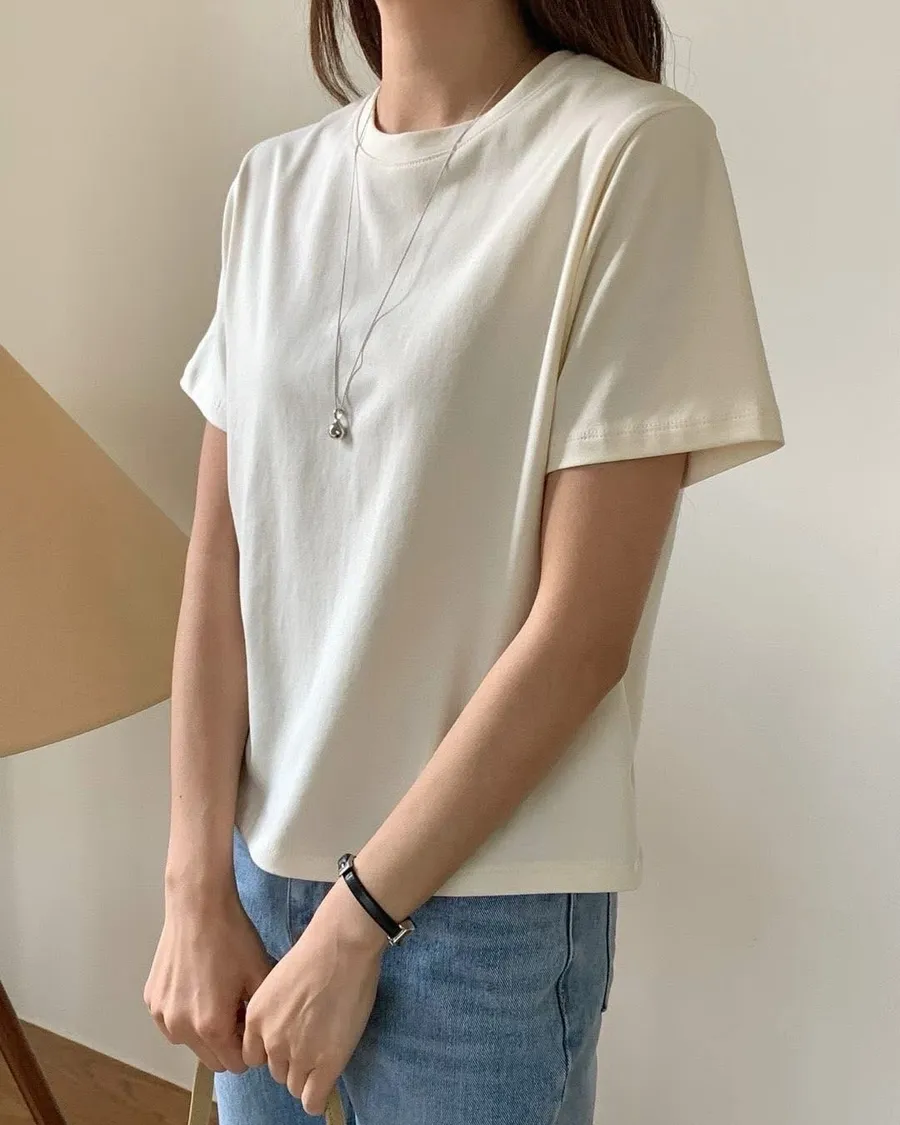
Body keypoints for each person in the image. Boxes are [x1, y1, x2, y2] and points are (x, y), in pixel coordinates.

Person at [144, 1, 785, 1122]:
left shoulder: (628, 152)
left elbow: (581, 633)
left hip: (483, 914)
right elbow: (219, 575)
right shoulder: (273, 185)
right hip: (260, 884)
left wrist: (355, 924)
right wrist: (192, 883)